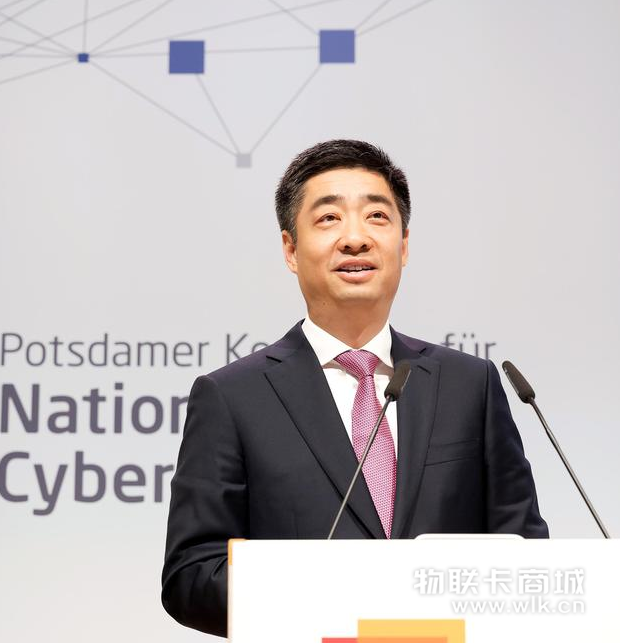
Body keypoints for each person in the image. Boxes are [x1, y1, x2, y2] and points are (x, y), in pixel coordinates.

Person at [161, 139, 548, 637]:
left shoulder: (470, 386)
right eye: (329, 218)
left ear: (403, 247)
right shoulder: (233, 398)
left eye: (376, 217)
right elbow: (192, 574)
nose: (355, 238)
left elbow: (525, 551)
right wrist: (338, 589)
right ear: (290, 250)